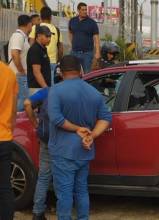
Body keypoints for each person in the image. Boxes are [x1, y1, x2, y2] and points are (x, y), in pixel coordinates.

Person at [48, 55, 111, 219]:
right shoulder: (93, 92)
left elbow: (56, 119)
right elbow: (106, 118)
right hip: (85, 151)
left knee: (64, 194)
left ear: (61, 71)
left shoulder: (56, 90)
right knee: (82, 190)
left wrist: (78, 129)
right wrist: (92, 135)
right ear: (80, 70)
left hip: (63, 152)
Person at [23, 86, 52, 220]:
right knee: (63, 175)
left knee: (44, 176)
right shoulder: (75, 90)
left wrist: (36, 124)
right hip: (63, 139)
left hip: (46, 138)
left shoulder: (47, 91)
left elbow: (27, 103)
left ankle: (37, 212)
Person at [0, 61, 18, 220]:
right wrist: (9, 130)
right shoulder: (9, 73)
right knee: (5, 186)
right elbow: (13, 110)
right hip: (4, 137)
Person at [29, 6, 64, 85]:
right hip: (52, 63)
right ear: (51, 17)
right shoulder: (57, 30)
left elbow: (31, 45)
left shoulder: (36, 27)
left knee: (37, 86)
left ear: (40, 16)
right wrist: (58, 60)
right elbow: (61, 49)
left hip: (37, 63)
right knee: (51, 86)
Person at [8, 14, 32, 111]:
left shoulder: (23, 37)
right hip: (18, 75)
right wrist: (21, 71)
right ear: (29, 24)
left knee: (21, 101)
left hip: (20, 75)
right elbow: (14, 54)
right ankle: (18, 124)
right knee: (22, 103)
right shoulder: (18, 36)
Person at [69, 2, 101, 74]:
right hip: (74, 53)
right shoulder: (72, 21)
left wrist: (97, 52)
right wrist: (72, 44)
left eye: (86, 10)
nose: (85, 11)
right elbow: (70, 32)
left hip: (87, 54)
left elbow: (96, 38)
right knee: (73, 73)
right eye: (83, 10)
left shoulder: (92, 23)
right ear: (78, 10)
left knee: (87, 74)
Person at [27, 25, 52, 95]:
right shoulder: (35, 50)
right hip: (37, 88)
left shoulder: (42, 49)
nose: (49, 39)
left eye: (50, 36)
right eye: (47, 36)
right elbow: (36, 72)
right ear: (39, 35)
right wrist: (46, 88)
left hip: (42, 88)